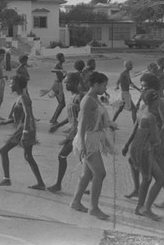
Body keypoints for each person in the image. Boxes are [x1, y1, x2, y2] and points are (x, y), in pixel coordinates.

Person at [71, 72, 117, 220]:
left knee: (87, 173)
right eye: (104, 85)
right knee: (100, 173)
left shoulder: (94, 98)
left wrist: (108, 125)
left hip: (94, 138)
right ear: (96, 84)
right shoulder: (88, 100)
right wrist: (82, 145)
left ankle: (76, 202)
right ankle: (94, 208)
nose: (105, 87)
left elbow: (97, 118)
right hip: (88, 140)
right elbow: (82, 124)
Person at [0, 75, 45, 190]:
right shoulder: (20, 97)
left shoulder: (23, 97)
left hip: (25, 129)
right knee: (28, 156)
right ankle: (40, 183)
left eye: (12, 83)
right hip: (24, 128)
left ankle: (6, 179)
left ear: (17, 85)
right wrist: (7, 122)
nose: (10, 85)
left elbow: (28, 115)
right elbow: (21, 117)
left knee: (3, 151)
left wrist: (25, 132)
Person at [122, 89, 164, 221]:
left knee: (147, 179)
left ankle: (139, 207)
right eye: (158, 99)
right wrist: (161, 142)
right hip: (147, 150)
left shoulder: (141, 111)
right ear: (155, 101)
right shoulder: (151, 117)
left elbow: (134, 129)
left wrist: (126, 145)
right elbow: (154, 140)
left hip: (137, 147)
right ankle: (146, 208)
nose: (160, 101)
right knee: (159, 179)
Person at [47, 73, 84, 193]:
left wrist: (72, 135)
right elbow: (72, 117)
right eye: (65, 82)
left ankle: (58, 184)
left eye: (68, 82)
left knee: (63, 156)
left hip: (79, 132)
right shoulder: (74, 97)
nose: (65, 84)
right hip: (75, 132)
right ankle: (89, 182)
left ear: (76, 83)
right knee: (84, 159)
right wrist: (58, 125)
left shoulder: (80, 97)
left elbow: (82, 118)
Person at [49, 53, 66, 125]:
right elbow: (52, 70)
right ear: (60, 58)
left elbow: (61, 77)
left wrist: (64, 75)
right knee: (62, 103)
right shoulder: (58, 64)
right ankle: (54, 119)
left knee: (61, 103)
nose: (64, 58)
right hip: (57, 85)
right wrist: (60, 71)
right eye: (63, 57)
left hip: (58, 84)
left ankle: (53, 119)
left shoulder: (60, 65)